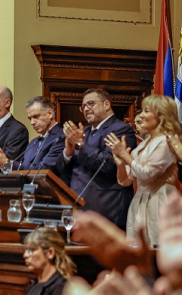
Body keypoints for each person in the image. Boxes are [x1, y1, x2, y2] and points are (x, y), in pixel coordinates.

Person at [56, 88, 137, 230]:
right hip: (78, 206)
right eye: (83, 106)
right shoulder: (84, 132)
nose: (86, 109)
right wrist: (68, 151)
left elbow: (108, 165)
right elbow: (62, 170)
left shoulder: (120, 129)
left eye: (91, 104)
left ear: (106, 105)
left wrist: (80, 144)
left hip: (105, 208)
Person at [107, 94, 181, 246]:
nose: (140, 116)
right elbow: (125, 181)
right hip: (140, 202)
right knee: (137, 251)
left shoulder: (166, 141)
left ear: (161, 115)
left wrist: (124, 154)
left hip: (159, 201)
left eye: (146, 111)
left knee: (157, 250)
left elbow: (146, 173)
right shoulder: (144, 143)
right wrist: (121, 163)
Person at [10, 97, 65, 172]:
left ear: (50, 113)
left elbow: (44, 169)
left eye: (36, 116)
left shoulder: (62, 137)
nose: (32, 122)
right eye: (30, 118)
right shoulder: (33, 142)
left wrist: (9, 164)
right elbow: (24, 165)